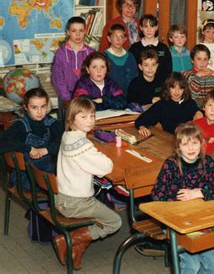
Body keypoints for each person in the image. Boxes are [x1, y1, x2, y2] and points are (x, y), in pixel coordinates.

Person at [151, 123, 214, 273]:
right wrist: (181, 195)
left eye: (194, 143)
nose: (191, 148)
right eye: (185, 144)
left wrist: (199, 193)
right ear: (178, 146)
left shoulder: (206, 161)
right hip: (177, 222)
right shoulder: (171, 164)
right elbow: (157, 193)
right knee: (191, 266)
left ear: (201, 144)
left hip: (203, 222)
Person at [54, 97, 122, 269]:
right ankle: (68, 240)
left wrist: (92, 149)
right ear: (71, 119)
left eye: (92, 116)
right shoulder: (81, 143)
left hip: (62, 197)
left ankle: (77, 250)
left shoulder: (67, 135)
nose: (90, 120)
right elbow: (106, 166)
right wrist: (95, 151)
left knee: (101, 214)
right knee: (114, 222)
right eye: (83, 117)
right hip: (76, 203)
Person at [0, 88, 63, 190]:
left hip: (49, 172)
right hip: (25, 177)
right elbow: (2, 143)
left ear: (47, 105)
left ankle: (47, 203)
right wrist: (27, 148)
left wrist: (46, 150)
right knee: (59, 187)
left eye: (43, 106)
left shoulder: (54, 124)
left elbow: (64, 144)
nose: (39, 111)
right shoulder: (20, 125)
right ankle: (45, 204)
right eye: (34, 107)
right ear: (26, 107)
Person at [135, 72, 202, 135]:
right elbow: (142, 119)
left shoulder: (190, 102)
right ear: (168, 88)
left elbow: (201, 115)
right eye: (173, 87)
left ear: (184, 89)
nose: (177, 91)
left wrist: (199, 112)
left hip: (191, 137)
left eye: (180, 88)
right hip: (171, 139)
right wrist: (142, 127)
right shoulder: (161, 105)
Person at [52, 16, 95, 105]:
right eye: (74, 31)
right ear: (68, 32)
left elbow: (95, 76)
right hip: (66, 99)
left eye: (81, 31)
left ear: (85, 32)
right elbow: (57, 78)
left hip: (86, 98)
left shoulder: (91, 53)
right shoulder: (61, 53)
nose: (78, 34)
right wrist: (67, 99)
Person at [129, 14, 173, 89]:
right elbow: (131, 71)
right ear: (141, 28)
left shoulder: (163, 48)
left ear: (156, 27)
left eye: (152, 26)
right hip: (140, 88)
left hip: (160, 89)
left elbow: (168, 71)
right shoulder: (134, 48)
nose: (149, 30)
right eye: (146, 26)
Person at [103, 23, 138, 96]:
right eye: (115, 36)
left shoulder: (130, 57)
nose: (118, 40)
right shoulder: (103, 57)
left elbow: (135, 78)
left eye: (121, 37)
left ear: (125, 39)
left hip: (128, 97)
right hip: (110, 97)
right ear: (109, 39)